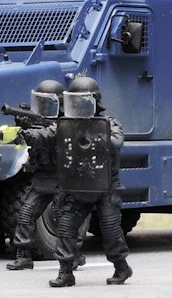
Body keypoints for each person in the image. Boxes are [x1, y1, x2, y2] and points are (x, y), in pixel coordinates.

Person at [49, 77, 131, 287]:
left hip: (105, 187)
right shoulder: (68, 124)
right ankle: (65, 271)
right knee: (66, 229)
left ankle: (121, 267)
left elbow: (116, 142)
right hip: (78, 186)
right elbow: (47, 135)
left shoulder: (108, 123)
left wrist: (93, 134)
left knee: (111, 231)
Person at [3, 80, 84, 271]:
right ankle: (23, 255)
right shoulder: (40, 123)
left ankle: (74, 255)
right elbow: (25, 140)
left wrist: (28, 132)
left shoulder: (66, 123)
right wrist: (22, 125)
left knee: (65, 221)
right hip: (41, 178)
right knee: (24, 216)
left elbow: (44, 136)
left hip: (61, 180)